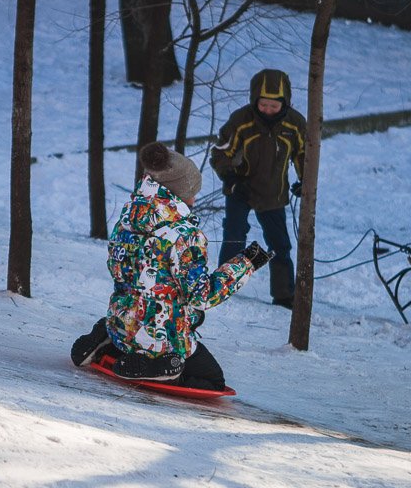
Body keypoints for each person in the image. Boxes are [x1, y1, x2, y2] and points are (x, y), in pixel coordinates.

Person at [70, 141, 273, 389]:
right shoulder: (184, 234)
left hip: (121, 323)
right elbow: (201, 297)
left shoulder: (129, 217)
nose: (195, 198)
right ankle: (160, 367)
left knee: (137, 310)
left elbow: (119, 269)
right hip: (162, 336)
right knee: (212, 380)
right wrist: (246, 264)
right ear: (179, 192)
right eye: (193, 191)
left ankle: (106, 336)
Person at [211, 68, 306, 309]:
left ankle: (284, 295)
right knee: (234, 236)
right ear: (255, 101)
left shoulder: (295, 124)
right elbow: (221, 153)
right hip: (240, 190)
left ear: (285, 103)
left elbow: (304, 155)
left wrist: (306, 182)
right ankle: (222, 288)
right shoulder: (241, 121)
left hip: (273, 193)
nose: (268, 110)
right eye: (263, 105)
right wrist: (231, 179)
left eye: (274, 106)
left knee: (280, 245)